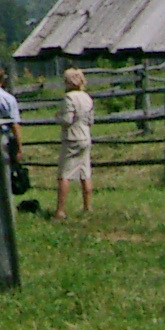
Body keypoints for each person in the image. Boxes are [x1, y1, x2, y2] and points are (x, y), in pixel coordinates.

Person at [54, 65, 95, 219]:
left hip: (72, 138)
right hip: (85, 136)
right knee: (85, 173)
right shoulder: (87, 97)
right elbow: (91, 120)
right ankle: (88, 207)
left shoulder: (69, 98)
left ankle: (60, 211)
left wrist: (57, 117)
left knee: (64, 174)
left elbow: (67, 120)